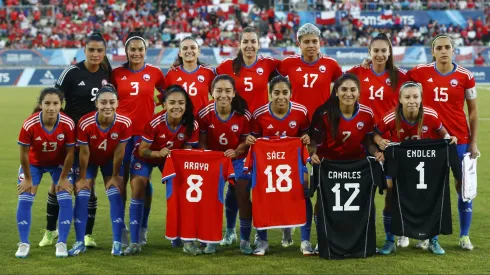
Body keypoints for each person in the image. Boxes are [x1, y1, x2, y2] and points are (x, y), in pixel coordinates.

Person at [407, 34, 479, 251]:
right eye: (439, 47)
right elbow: (395, 77)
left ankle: (464, 236)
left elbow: (473, 112)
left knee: (462, 188)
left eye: (448, 47)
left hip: (460, 141)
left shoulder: (466, 76)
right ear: (433, 51)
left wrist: (473, 143)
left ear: (453, 50)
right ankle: (427, 235)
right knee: (430, 189)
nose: (444, 51)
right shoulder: (420, 72)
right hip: (430, 142)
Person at [40, 32, 112, 248]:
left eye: (100, 50)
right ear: (85, 50)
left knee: (88, 185)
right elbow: (54, 100)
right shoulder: (71, 72)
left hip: (93, 140)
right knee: (57, 184)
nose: (95, 54)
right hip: (69, 139)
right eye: (91, 50)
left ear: (104, 52)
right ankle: (50, 231)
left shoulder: (107, 73)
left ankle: (88, 235)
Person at [374, 81, 457, 255]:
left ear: (421, 99)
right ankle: (389, 240)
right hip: (399, 163)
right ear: (400, 100)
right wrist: (379, 142)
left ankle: (433, 240)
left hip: (425, 164)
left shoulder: (431, 115)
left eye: (415, 97)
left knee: (429, 197)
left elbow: (444, 134)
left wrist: (450, 138)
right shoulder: (391, 117)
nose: (412, 100)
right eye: (407, 97)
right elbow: (374, 133)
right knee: (391, 195)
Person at [215, 27, 281, 245]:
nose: (250, 46)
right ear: (240, 44)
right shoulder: (226, 67)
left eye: (253, 41)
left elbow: (288, 76)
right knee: (236, 184)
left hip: (263, 132)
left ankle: (268, 231)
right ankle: (231, 231)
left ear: (259, 44)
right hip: (238, 132)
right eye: (246, 42)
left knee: (262, 184)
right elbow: (209, 79)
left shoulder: (269, 65)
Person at [347, 33, 411, 248]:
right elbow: (341, 84)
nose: (380, 54)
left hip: (391, 141)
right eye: (376, 50)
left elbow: (415, 97)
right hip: (364, 140)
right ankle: (366, 235)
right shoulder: (358, 72)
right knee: (366, 191)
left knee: (393, 191)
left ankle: (394, 235)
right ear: (369, 52)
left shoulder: (400, 76)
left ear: (390, 52)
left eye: (384, 50)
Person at [309, 74, 383, 253]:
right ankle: (322, 239)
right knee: (322, 202)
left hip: (357, 165)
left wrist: (376, 153)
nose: (348, 93)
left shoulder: (366, 113)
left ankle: (365, 236)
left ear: (358, 92)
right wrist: (312, 154)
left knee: (365, 201)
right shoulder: (324, 113)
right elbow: (314, 140)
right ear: (336, 91)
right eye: (343, 89)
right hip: (329, 164)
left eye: (352, 90)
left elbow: (368, 141)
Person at [124, 85, 199, 255]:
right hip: (146, 158)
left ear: (186, 105)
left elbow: (188, 152)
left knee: (181, 192)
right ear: (164, 104)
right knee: (138, 188)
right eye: (172, 102)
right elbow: (143, 150)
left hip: (170, 160)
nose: (176, 106)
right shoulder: (155, 122)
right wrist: (158, 153)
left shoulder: (191, 124)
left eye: (181, 102)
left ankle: (181, 236)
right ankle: (135, 240)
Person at [245, 76, 313, 256]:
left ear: (291, 93)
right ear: (270, 94)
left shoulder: (300, 111)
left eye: (285, 92)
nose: (280, 97)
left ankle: (305, 240)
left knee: (303, 191)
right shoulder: (259, 114)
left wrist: (306, 138)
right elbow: (254, 141)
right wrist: (250, 140)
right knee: (261, 194)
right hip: (267, 165)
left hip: (293, 163)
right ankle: (262, 240)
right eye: (276, 93)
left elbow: (306, 134)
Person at [112, 31, 166, 247]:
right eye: (132, 49)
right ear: (126, 51)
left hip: (145, 137)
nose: (136, 53)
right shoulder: (116, 73)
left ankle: (141, 227)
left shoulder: (155, 72)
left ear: (145, 51)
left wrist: (155, 103)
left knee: (142, 182)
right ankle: (123, 229)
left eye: (140, 49)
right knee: (120, 181)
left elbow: (168, 93)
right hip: (121, 137)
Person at [68, 84, 132, 257]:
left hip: (110, 162)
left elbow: (120, 152)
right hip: (88, 161)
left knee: (115, 192)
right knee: (82, 194)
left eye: (111, 102)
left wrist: (116, 176)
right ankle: (80, 241)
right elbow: (84, 152)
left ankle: (117, 242)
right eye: (103, 102)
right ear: (96, 104)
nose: (108, 106)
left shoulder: (125, 122)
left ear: (118, 103)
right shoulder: (85, 122)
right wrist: (82, 178)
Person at [16, 88, 76, 258]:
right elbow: (23, 153)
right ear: (40, 105)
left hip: (58, 165)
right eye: (47, 103)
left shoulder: (68, 123)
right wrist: (28, 179)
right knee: (25, 197)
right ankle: (23, 243)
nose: (51, 108)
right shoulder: (30, 124)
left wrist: (63, 178)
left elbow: (71, 153)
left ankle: (62, 243)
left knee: (65, 198)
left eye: (55, 103)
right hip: (34, 165)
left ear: (61, 105)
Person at [197, 75, 251, 253]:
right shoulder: (204, 114)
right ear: (212, 92)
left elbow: (246, 142)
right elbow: (202, 141)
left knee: (241, 189)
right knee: (212, 196)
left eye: (228, 91)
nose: (223, 95)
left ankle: (242, 238)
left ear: (234, 93)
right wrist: (210, 156)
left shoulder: (243, 114)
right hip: (213, 160)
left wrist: (236, 151)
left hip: (236, 158)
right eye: (218, 90)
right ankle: (211, 238)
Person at [277, 23, 343, 121]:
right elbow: (270, 76)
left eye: (314, 41)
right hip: (296, 119)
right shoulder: (289, 63)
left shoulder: (331, 64)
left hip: (323, 120)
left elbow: (344, 84)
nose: (311, 45)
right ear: (299, 44)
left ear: (320, 43)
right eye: (306, 42)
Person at [164, 36, 216, 115]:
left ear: (198, 51)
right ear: (180, 53)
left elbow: (216, 98)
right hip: (180, 123)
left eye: (192, 48)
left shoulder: (208, 73)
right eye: (185, 48)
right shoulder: (172, 73)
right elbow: (165, 100)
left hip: (202, 122)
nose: (189, 51)